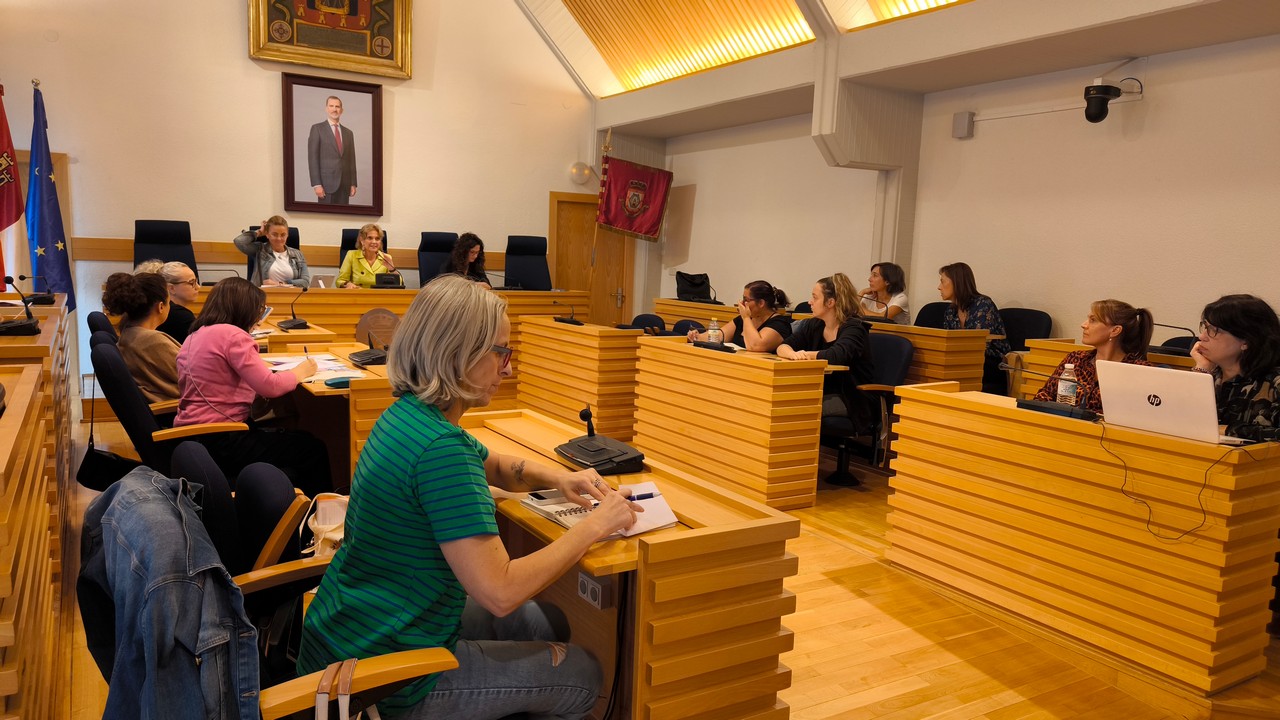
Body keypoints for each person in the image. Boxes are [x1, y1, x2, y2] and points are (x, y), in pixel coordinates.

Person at [298, 275, 639, 719]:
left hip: (353, 633)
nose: (509, 367)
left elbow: (491, 463)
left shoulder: (409, 415)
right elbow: (500, 591)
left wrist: (560, 478)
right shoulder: (440, 452)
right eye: (501, 352)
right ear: (458, 353)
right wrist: (597, 524)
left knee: (544, 622)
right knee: (585, 675)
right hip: (384, 685)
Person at [173, 277, 330, 496]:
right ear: (245, 308)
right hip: (224, 439)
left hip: (196, 437)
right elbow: (271, 386)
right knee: (314, 449)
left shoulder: (196, 334)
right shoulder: (234, 335)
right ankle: (319, 518)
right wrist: (302, 370)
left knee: (301, 440)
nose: (258, 316)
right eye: (259, 310)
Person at [777, 273, 875, 424]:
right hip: (821, 391)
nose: (810, 302)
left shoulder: (854, 328)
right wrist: (792, 354)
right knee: (779, 401)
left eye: (815, 298)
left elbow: (837, 355)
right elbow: (783, 346)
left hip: (851, 397)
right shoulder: (815, 324)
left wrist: (806, 355)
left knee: (794, 408)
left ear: (830, 302)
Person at [1033, 299, 1153, 414]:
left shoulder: (1138, 370)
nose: (1084, 325)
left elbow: (1139, 415)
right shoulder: (1076, 359)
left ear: (1115, 330)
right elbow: (1043, 396)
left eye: (1093, 320)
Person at [1191, 294, 1280, 442]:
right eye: (1205, 327)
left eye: (1214, 330)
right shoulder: (1210, 375)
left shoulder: (1275, 383)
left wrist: (1228, 430)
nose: (1202, 336)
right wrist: (1201, 371)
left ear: (1246, 341)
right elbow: (1179, 421)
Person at [101, 272, 180, 403]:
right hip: (183, 412)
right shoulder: (153, 342)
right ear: (160, 307)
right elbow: (196, 378)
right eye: (169, 302)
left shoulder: (129, 333)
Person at [938, 262, 1011, 394]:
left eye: (942, 282)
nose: (939, 287)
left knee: (952, 367)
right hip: (964, 360)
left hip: (992, 362)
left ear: (956, 282)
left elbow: (979, 345)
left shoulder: (983, 304)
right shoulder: (950, 311)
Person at [687, 280, 792, 352]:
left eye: (746, 300)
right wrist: (698, 337)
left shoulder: (779, 324)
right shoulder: (744, 319)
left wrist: (746, 318)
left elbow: (755, 345)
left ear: (761, 303)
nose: (741, 303)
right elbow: (721, 335)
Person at [234, 215, 311, 288]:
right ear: (267, 234)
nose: (279, 238)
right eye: (274, 234)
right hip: (263, 297)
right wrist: (260, 232)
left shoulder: (297, 254)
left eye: (283, 235)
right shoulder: (260, 250)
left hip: (291, 297)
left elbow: (305, 282)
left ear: (287, 235)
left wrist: (280, 284)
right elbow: (239, 242)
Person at [307, 95, 357, 205]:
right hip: (326, 186)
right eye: (331, 106)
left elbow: (351, 160)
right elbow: (312, 158)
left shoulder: (348, 133)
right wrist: (316, 184)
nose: (334, 109)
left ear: (342, 110)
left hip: (345, 186)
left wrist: (353, 183)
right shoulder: (317, 129)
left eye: (337, 106)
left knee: (343, 218)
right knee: (325, 219)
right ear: (326, 108)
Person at [337, 223, 396, 288]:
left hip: (379, 296)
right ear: (362, 240)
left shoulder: (386, 258)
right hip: (358, 295)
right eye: (370, 238)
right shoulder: (352, 255)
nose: (374, 242)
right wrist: (348, 284)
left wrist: (392, 269)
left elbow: (399, 284)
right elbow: (340, 280)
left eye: (377, 239)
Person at [155, 261, 199, 343]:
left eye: (196, 282)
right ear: (171, 288)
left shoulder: (159, 309)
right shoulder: (181, 316)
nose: (198, 287)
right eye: (192, 283)